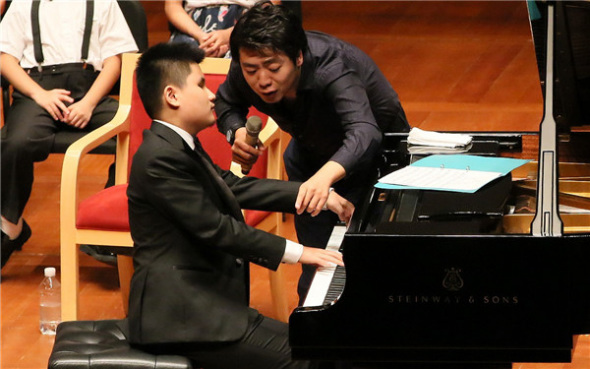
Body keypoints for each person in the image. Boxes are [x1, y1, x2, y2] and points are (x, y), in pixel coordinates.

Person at [127, 42, 353, 369]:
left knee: (320, 352)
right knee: (311, 359)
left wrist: (311, 192)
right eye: (201, 85)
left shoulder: (176, 146)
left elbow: (234, 186)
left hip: (204, 308)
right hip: (182, 320)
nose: (211, 95)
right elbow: (218, 229)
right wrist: (303, 252)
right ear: (172, 96)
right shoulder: (159, 159)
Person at [215, 1, 410, 303]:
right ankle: (317, 329)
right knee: (318, 261)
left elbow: (364, 131)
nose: (262, 80)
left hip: (380, 159)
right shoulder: (247, 66)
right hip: (310, 158)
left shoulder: (332, 66)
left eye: (274, 68)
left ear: (298, 57)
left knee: (378, 263)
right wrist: (237, 133)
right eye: (251, 69)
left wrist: (324, 178)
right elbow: (227, 104)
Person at [0, 0, 138, 268]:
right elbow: (5, 58)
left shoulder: (102, 3)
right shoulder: (23, 4)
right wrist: (38, 94)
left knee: (138, 132)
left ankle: (108, 221)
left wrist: (88, 103)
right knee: (16, 141)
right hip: (37, 91)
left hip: (90, 91)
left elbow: (116, 60)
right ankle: (9, 227)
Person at [165, 0, 258, 58]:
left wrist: (230, 34)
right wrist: (202, 37)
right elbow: (173, 6)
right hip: (192, 27)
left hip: (245, 25)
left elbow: (269, 7)